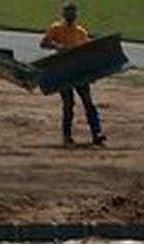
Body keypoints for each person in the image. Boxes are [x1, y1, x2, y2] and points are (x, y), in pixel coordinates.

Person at [40, 2, 105, 147]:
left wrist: (92, 72)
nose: (70, 15)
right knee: (69, 103)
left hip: (79, 72)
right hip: (63, 71)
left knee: (88, 102)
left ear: (76, 15)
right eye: (68, 12)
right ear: (63, 14)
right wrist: (58, 46)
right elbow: (43, 43)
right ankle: (67, 135)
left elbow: (87, 52)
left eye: (73, 13)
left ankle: (97, 133)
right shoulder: (56, 28)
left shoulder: (81, 32)